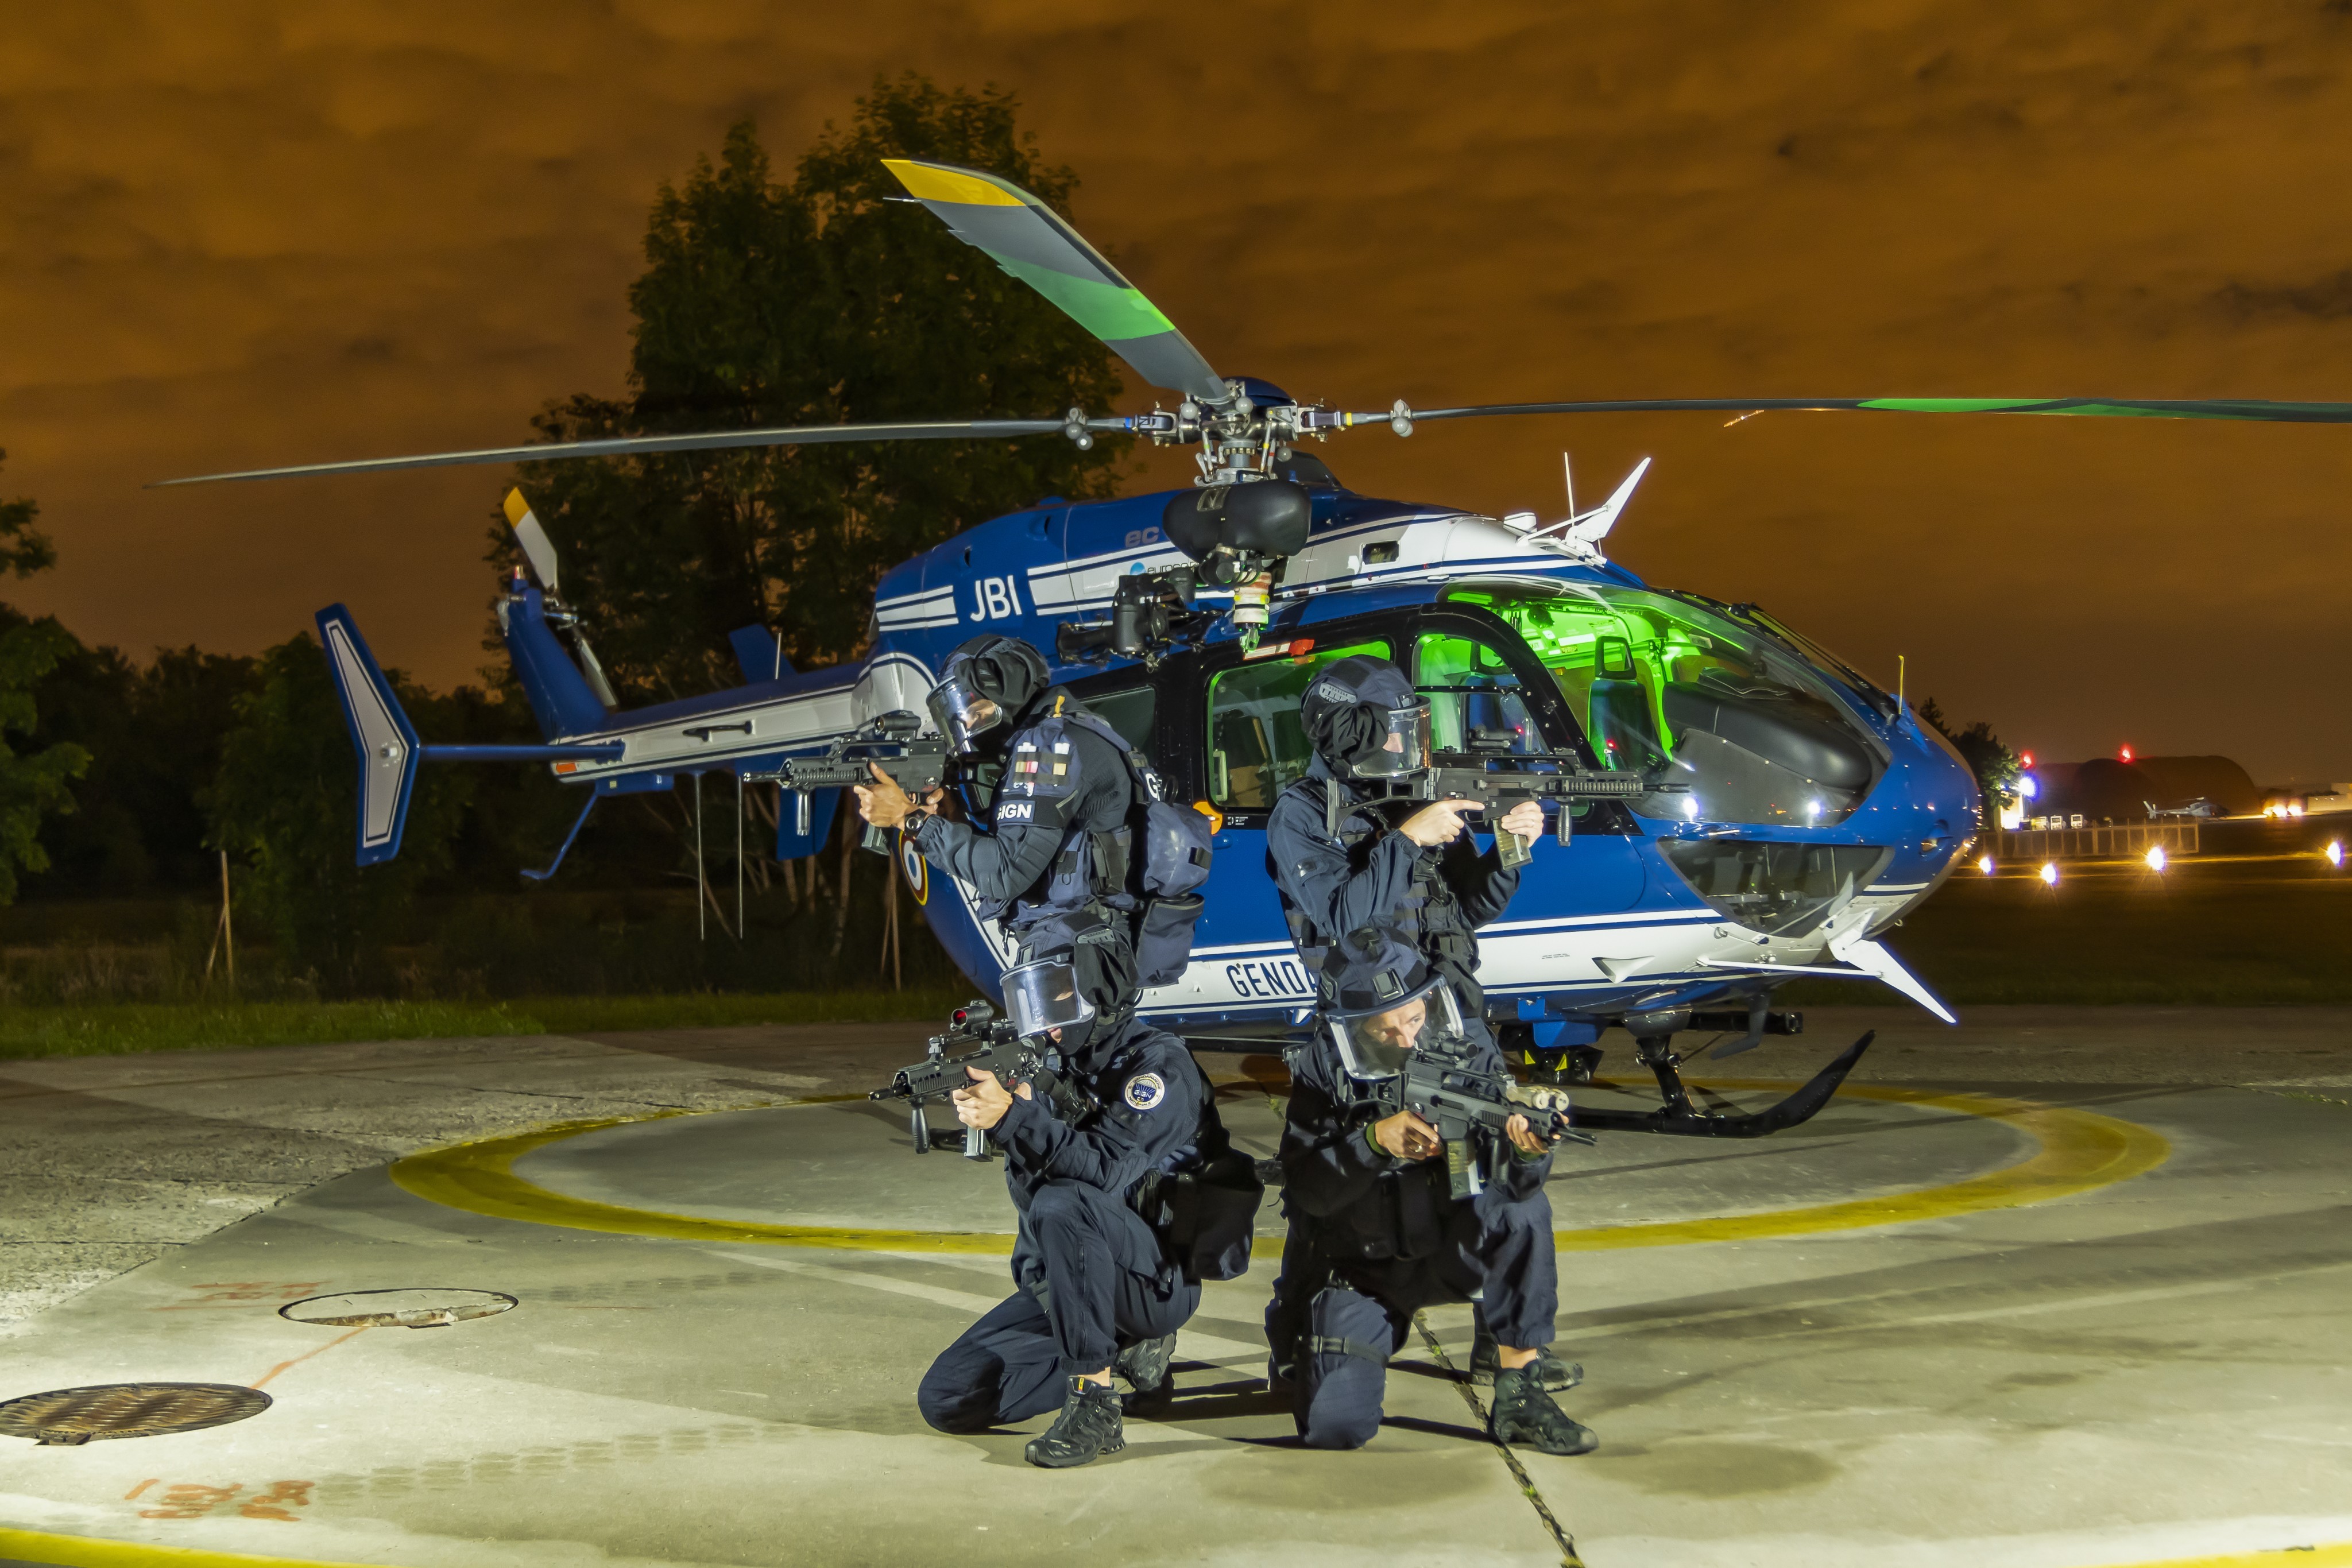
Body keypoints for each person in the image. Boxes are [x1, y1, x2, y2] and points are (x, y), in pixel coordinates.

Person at [1262, 653, 1595, 1454]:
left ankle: (1512, 1352)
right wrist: (1409, 836)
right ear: (1347, 734)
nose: (1407, 747)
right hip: (1367, 1025)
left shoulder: (1404, 801)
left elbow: (1460, 916)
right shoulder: (1303, 814)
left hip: (1449, 1016)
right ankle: (1312, 1317)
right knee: (1352, 1176)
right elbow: (1346, 916)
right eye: (1391, 731)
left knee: (1503, 1170)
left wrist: (1509, 853)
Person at [908, 953, 1225, 1468]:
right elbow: (1035, 1198)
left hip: (1153, 1280)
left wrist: (1015, 1119)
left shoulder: (1158, 1068)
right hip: (1067, 1284)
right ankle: (1120, 1352)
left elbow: (1103, 1172)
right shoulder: (1053, 1065)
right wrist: (1021, 1111)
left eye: (1059, 997)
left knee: (1066, 1201)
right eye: (1033, 999)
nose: (1045, 1020)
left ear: (1103, 995)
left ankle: (1095, 1401)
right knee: (946, 1397)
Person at [855, 633, 1139, 995]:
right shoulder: (1059, 733)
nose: (968, 725)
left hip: (1080, 953)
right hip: (1081, 943)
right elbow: (1020, 850)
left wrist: (911, 819)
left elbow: (1006, 873)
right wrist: (951, 818)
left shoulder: (1048, 747)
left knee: (1070, 1052)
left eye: (977, 711)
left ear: (1010, 693)